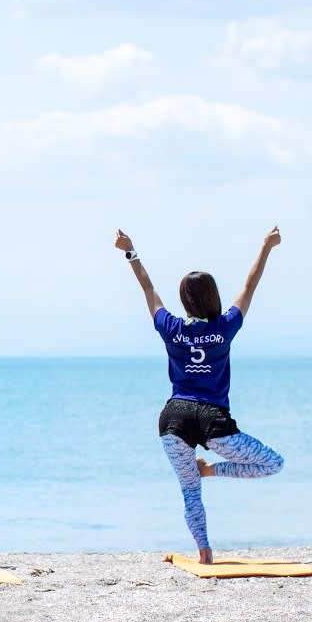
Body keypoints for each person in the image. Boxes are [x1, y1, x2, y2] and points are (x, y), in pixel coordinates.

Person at [114, 226, 284, 564]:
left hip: (173, 417)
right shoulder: (224, 327)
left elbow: (148, 289)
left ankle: (204, 552)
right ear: (213, 297)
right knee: (273, 463)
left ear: (184, 300)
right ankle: (212, 472)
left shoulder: (171, 327)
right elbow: (249, 286)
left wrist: (130, 251)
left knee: (190, 491)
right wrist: (266, 246)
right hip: (212, 420)